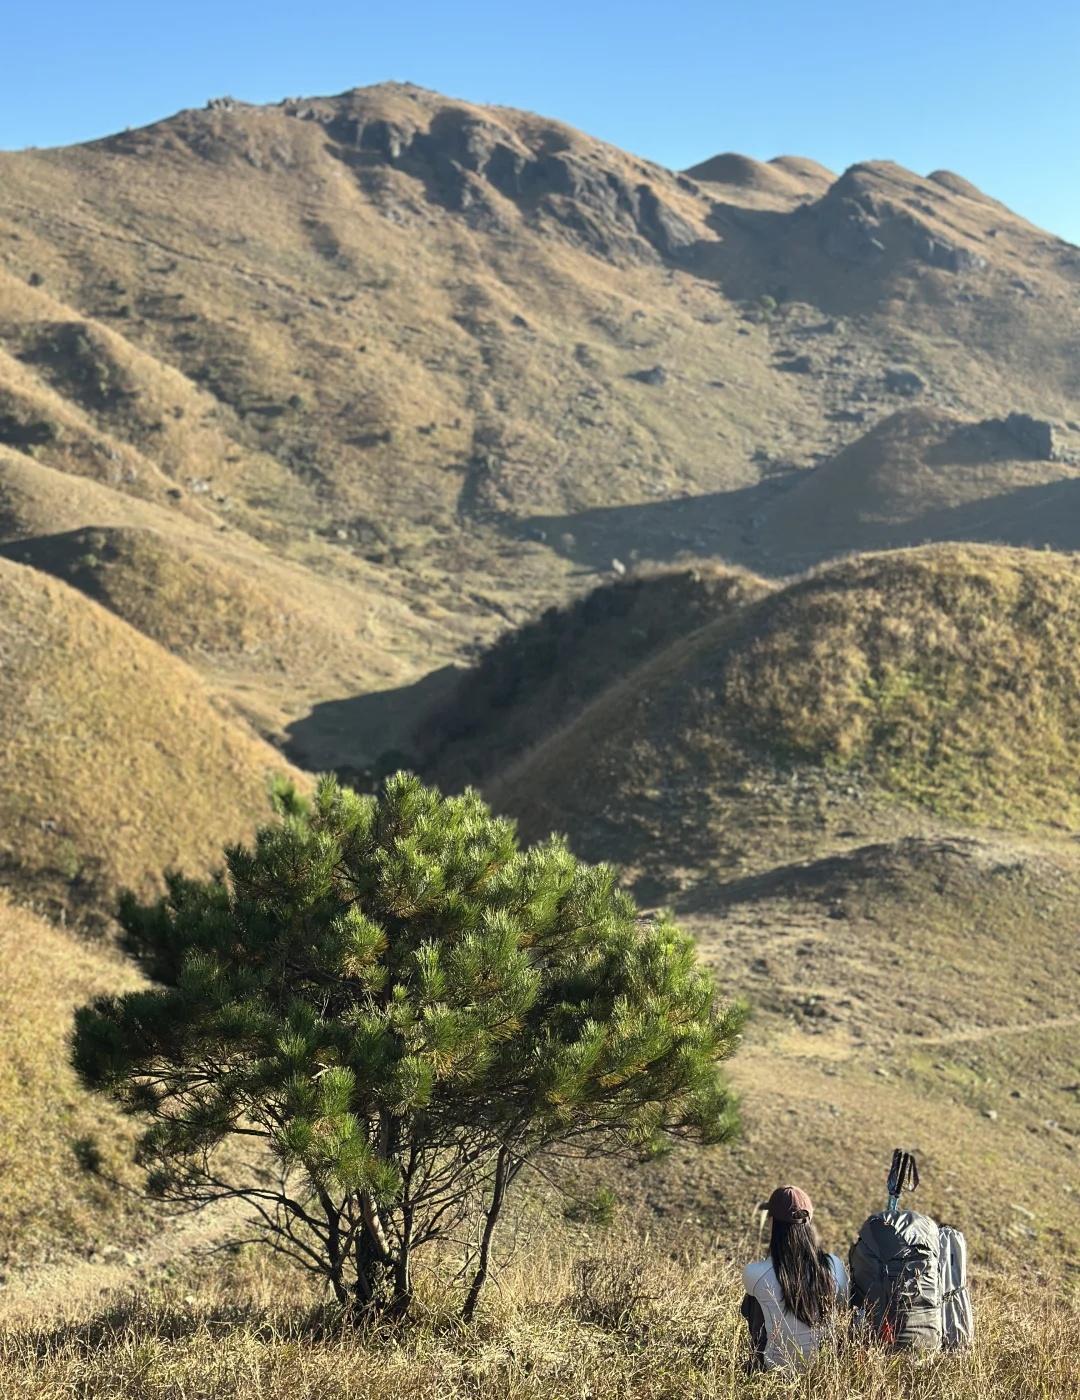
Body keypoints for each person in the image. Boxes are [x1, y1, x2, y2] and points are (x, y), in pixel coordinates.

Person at [740, 1184, 848, 1371]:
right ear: (809, 1219)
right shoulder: (833, 1265)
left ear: (772, 1222)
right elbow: (844, 1303)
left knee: (752, 1302)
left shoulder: (755, 1273)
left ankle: (756, 1363)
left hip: (774, 1368)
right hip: (822, 1369)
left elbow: (749, 1314)